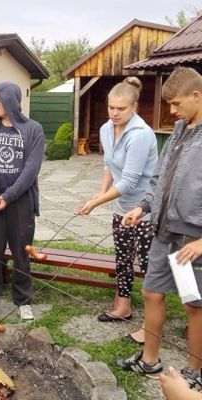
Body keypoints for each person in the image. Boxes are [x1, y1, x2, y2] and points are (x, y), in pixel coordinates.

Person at [114, 67, 202, 389]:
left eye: (177, 104)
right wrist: (143, 207)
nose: (173, 111)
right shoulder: (178, 132)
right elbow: (159, 179)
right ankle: (150, 360)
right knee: (151, 292)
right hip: (163, 231)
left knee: (194, 305)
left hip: (193, 238)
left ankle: (196, 372)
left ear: (196, 95)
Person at [76, 77, 158, 344]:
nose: (114, 113)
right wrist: (102, 194)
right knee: (122, 260)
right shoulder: (105, 129)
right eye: (111, 107)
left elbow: (131, 180)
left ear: (134, 107)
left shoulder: (141, 135)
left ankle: (151, 323)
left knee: (147, 266)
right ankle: (123, 306)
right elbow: (108, 166)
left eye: (120, 108)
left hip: (144, 209)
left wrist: (95, 203)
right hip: (121, 206)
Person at [0, 81, 44, 321]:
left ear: (11, 100)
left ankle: (23, 299)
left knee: (21, 253)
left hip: (21, 203)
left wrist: (8, 196)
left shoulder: (33, 129)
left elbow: (31, 170)